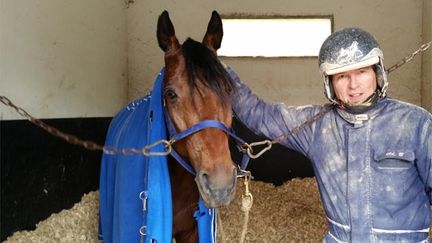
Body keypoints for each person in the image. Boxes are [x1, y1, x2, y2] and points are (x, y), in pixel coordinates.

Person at [226, 27, 432, 242]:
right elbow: (259, 114)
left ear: (377, 72)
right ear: (329, 83)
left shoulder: (415, 123)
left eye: (362, 72)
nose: (354, 85)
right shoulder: (316, 126)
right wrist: (218, 70)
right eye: (342, 76)